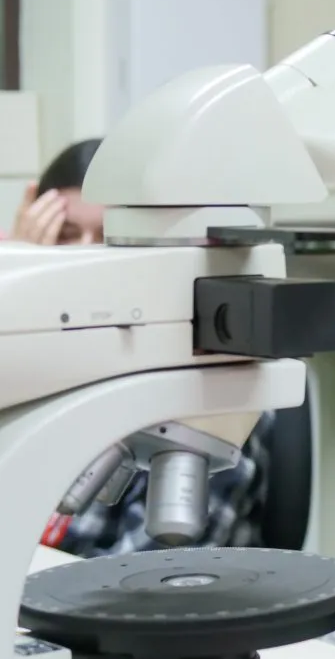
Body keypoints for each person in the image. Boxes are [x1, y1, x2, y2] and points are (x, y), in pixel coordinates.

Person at [6, 139, 278, 558]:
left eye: (108, 238)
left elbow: (145, 575)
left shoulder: (206, 372)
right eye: (63, 236)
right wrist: (17, 290)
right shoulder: (28, 366)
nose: (84, 258)